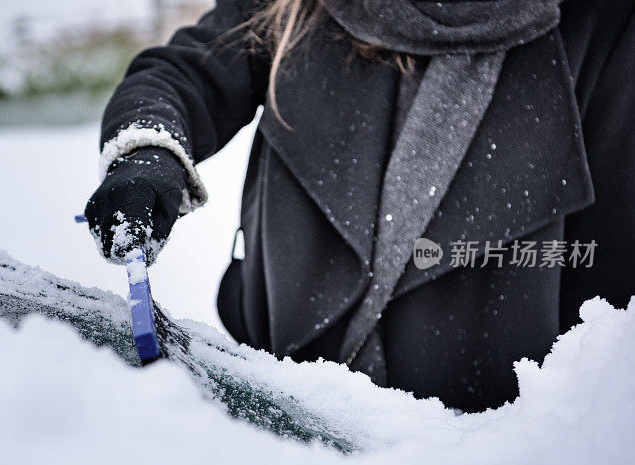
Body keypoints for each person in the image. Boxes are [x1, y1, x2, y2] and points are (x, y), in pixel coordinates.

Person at [84, 0, 635, 412]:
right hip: (270, 413)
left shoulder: (604, 29)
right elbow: (186, 73)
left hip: (478, 459)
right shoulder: (292, 7)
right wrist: (147, 153)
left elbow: (612, 298)